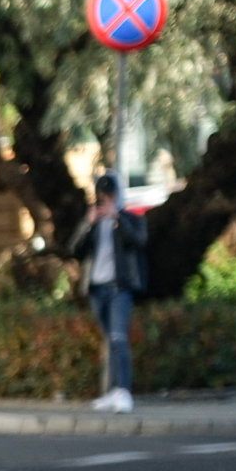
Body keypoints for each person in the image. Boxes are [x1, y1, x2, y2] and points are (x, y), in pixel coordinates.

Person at [69, 173, 147, 414]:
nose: (106, 200)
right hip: (96, 289)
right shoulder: (93, 223)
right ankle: (111, 392)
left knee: (117, 338)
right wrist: (87, 224)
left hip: (118, 288)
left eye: (110, 195)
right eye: (102, 196)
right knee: (109, 340)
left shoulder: (129, 219)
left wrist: (117, 219)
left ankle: (123, 391)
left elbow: (139, 242)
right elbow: (74, 250)